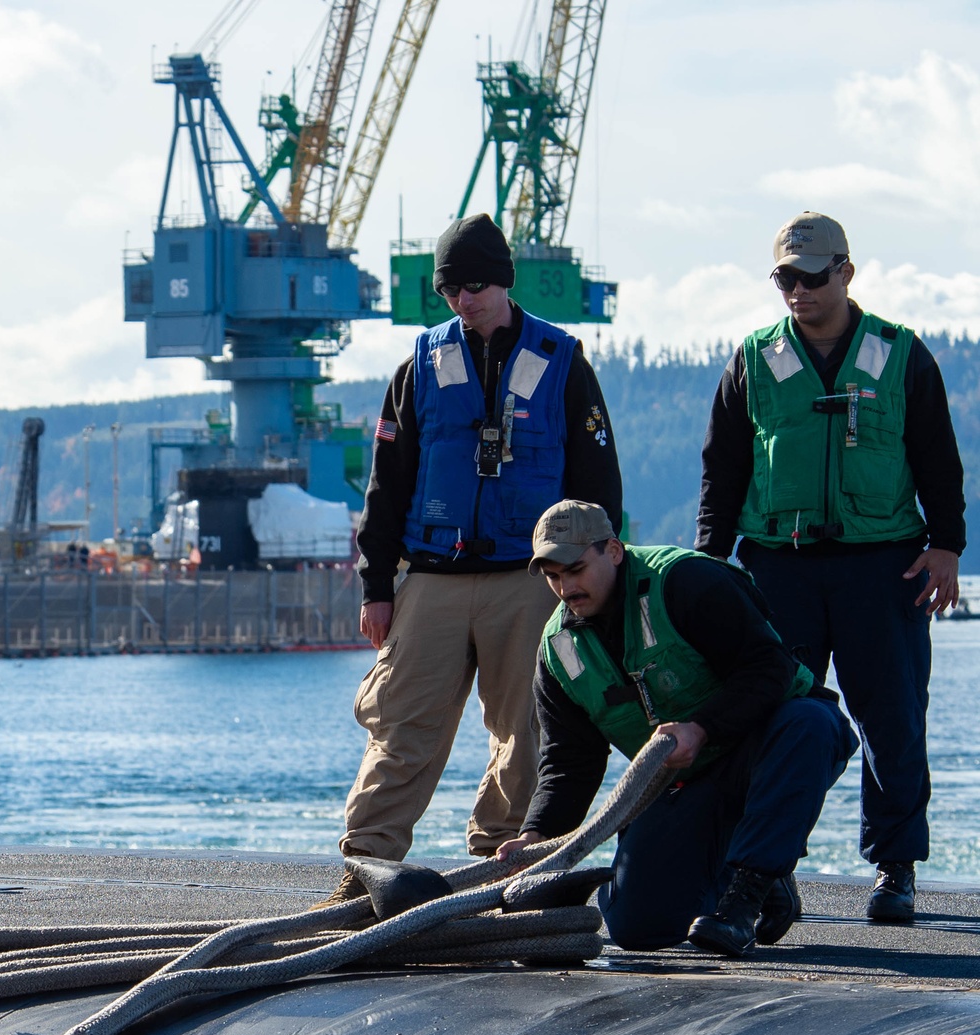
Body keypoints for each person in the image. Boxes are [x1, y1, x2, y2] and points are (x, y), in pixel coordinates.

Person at [322, 214, 622, 904]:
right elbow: (386, 484)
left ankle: (505, 859)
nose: (463, 300)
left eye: (475, 284)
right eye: (450, 289)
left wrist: (598, 580)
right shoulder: (420, 367)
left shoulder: (564, 362)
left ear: (505, 280)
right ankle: (363, 866)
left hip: (532, 580)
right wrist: (377, 585)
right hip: (432, 576)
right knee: (402, 725)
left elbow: (598, 483)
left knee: (529, 731)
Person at [696, 211, 966, 924]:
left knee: (895, 718)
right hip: (776, 566)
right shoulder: (754, 360)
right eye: (785, 277)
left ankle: (896, 866)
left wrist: (948, 544)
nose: (798, 291)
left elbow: (938, 457)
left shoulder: (901, 355)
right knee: (773, 715)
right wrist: (707, 562)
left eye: (813, 277)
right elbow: (722, 468)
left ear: (846, 272)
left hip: (885, 566)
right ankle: (766, 867)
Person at [497, 501, 858, 957]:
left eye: (576, 569)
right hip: (684, 783)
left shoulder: (686, 581)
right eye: (552, 576)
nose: (566, 587)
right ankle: (748, 873)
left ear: (612, 550)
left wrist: (702, 729)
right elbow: (569, 763)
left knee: (810, 723)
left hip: (766, 749)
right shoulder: (558, 653)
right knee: (637, 928)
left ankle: (746, 895)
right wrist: (534, 836)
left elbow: (769, 668)